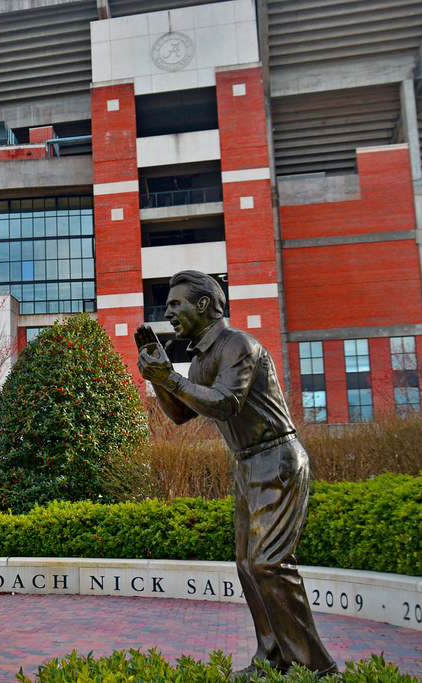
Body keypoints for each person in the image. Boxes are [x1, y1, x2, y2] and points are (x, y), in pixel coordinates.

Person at [136, 270, 337, 679]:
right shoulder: (201, 359)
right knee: (249, 565)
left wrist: (169, 377)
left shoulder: (238, 345)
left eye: (176, 304)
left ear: (204, 304)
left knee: (268, 563)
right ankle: (274, 660)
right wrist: (158, 378)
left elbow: (226, 403)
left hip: (277, 458)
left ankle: (319, 670)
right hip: (248, 463)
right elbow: (180, 415)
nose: (168, 312)